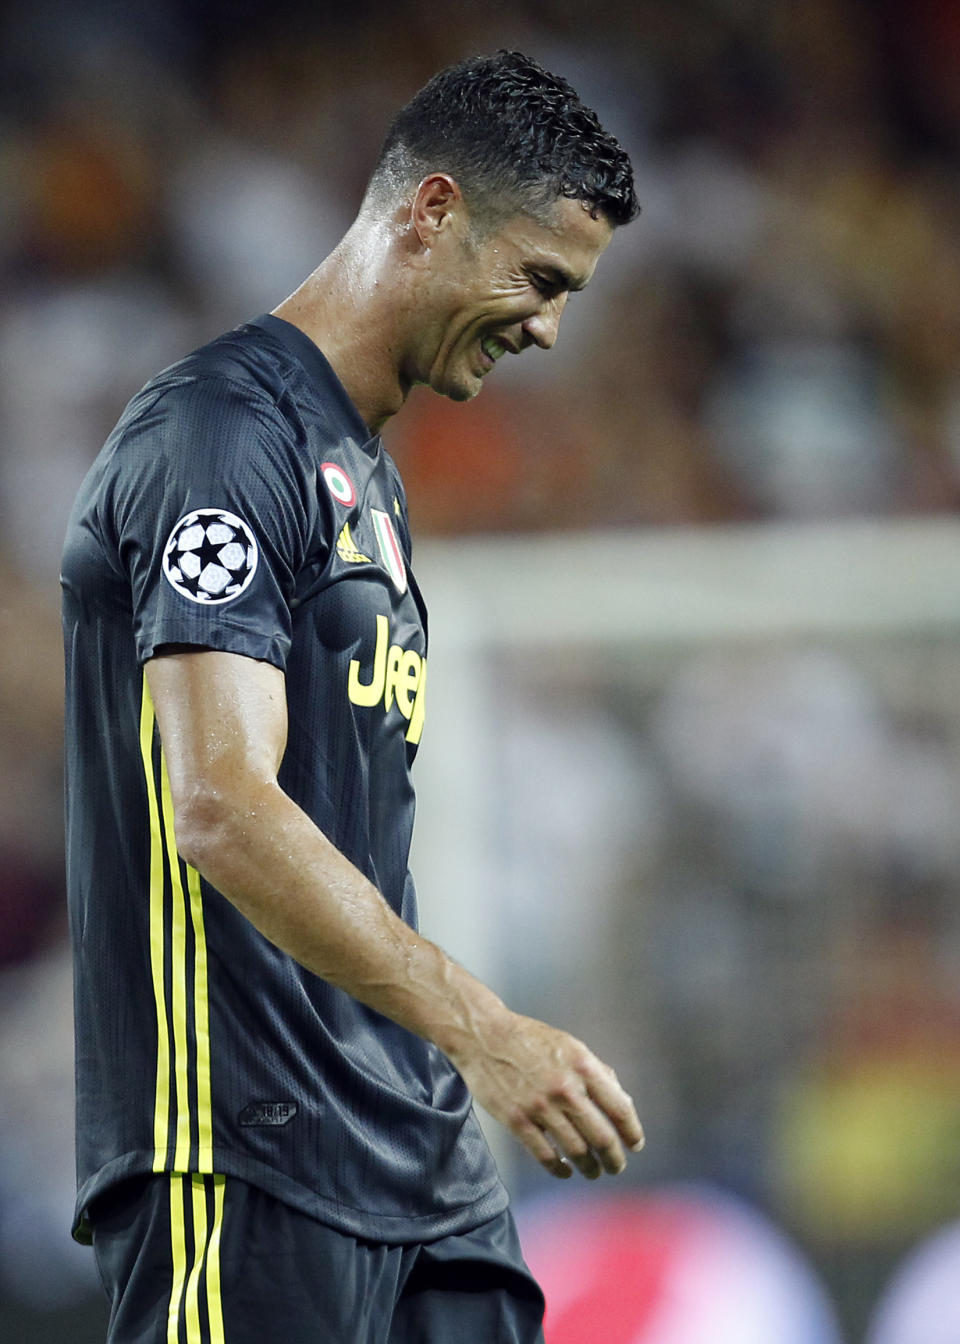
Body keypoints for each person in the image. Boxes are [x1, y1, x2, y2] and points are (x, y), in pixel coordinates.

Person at [61, 49, 644, 1343]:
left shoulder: (362, 476)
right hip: (243, 1147)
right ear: (432, 210)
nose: (549, 327)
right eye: (540, 279)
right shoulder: (217, 435)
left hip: (409, 1152)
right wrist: (486, 1031)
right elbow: (218, 804)